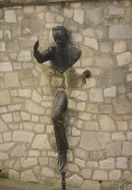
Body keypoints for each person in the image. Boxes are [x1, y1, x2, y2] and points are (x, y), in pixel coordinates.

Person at [33, 26, 90, 172]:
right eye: (55, 38)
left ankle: (62, 152)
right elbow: (40, 58)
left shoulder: (75, 52)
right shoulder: (52, 51)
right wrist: (35, 51)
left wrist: (84, 74)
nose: (58, 41)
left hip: (70, 89)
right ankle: (62, 151)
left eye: (60, 38)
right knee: (55, 115)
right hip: (60, 90)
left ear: (66, 37)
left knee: (56, 115)